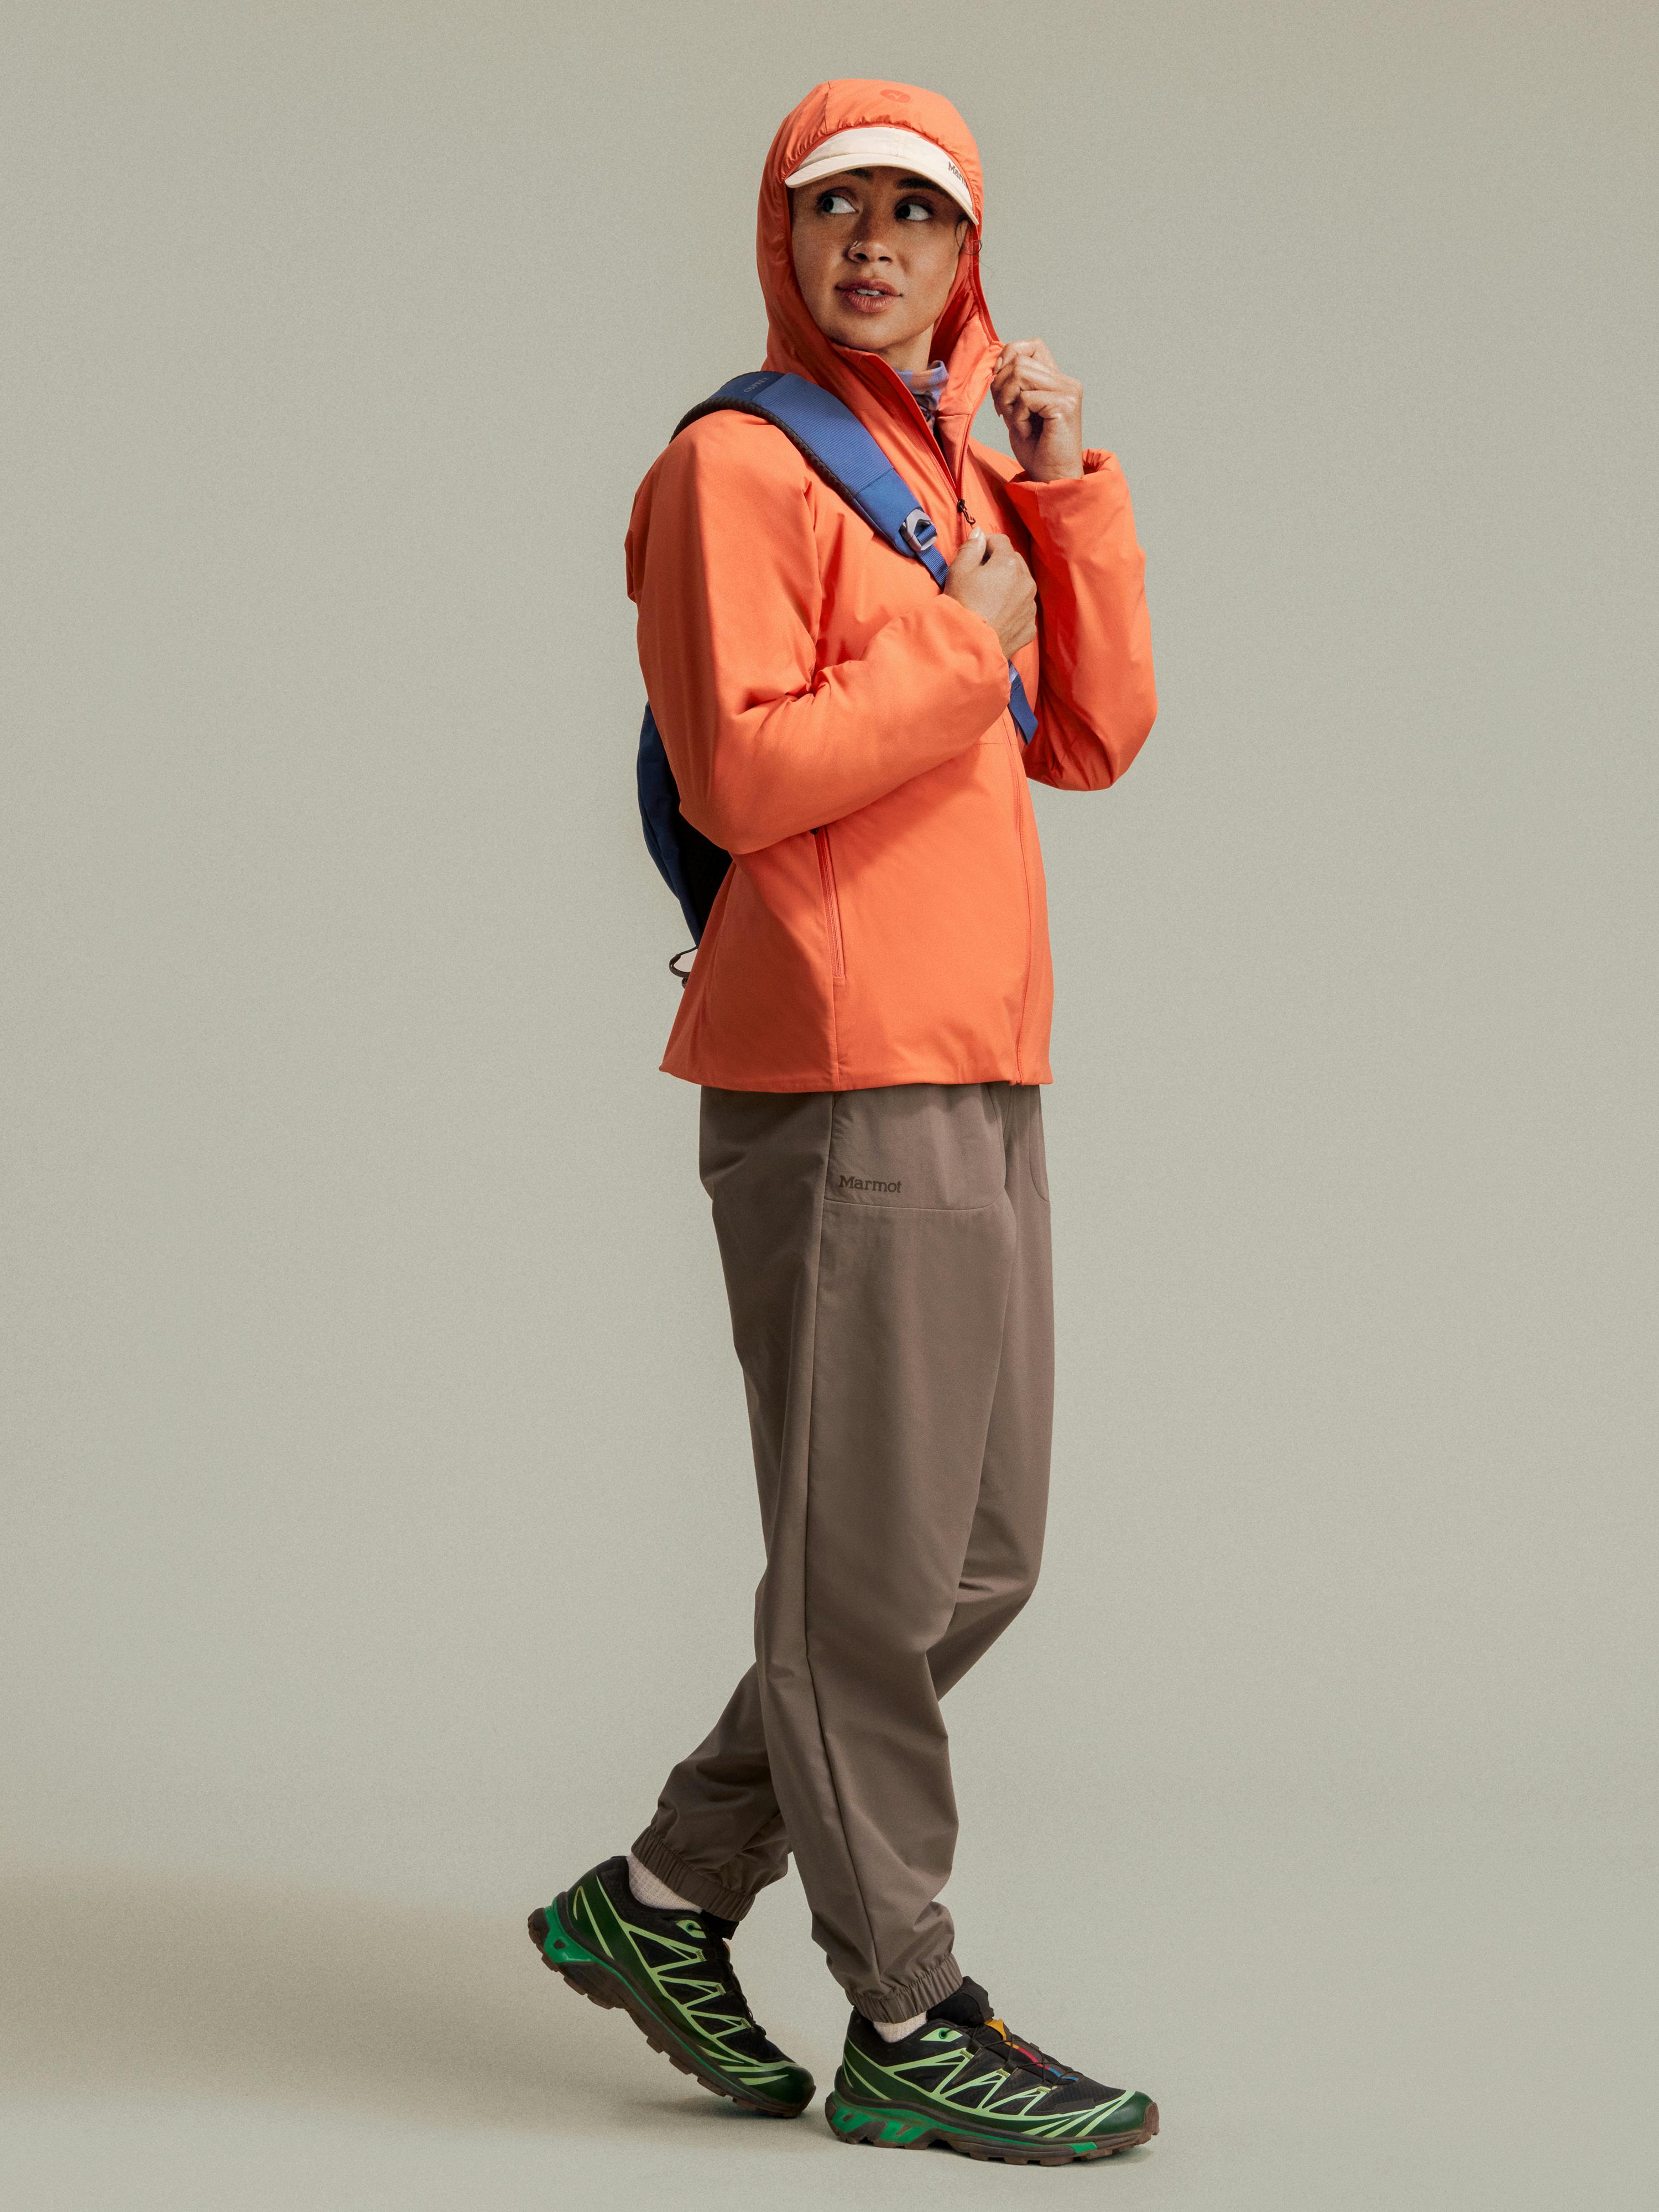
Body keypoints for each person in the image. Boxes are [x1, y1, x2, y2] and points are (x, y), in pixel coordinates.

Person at [530, 79, 1159, 2166]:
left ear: (968, 256)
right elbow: (738, 771)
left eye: (916, 213)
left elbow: (1095, 733)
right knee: (865, 1576)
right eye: (835, 210)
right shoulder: (736, 465)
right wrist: (961, 650)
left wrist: (1062, 497)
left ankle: (664, 1894)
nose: (871, 243)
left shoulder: (952, 465)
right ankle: (910, 2010)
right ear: (781, 239)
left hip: (977, 1054)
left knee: (973, 1556)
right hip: (834, 1059)